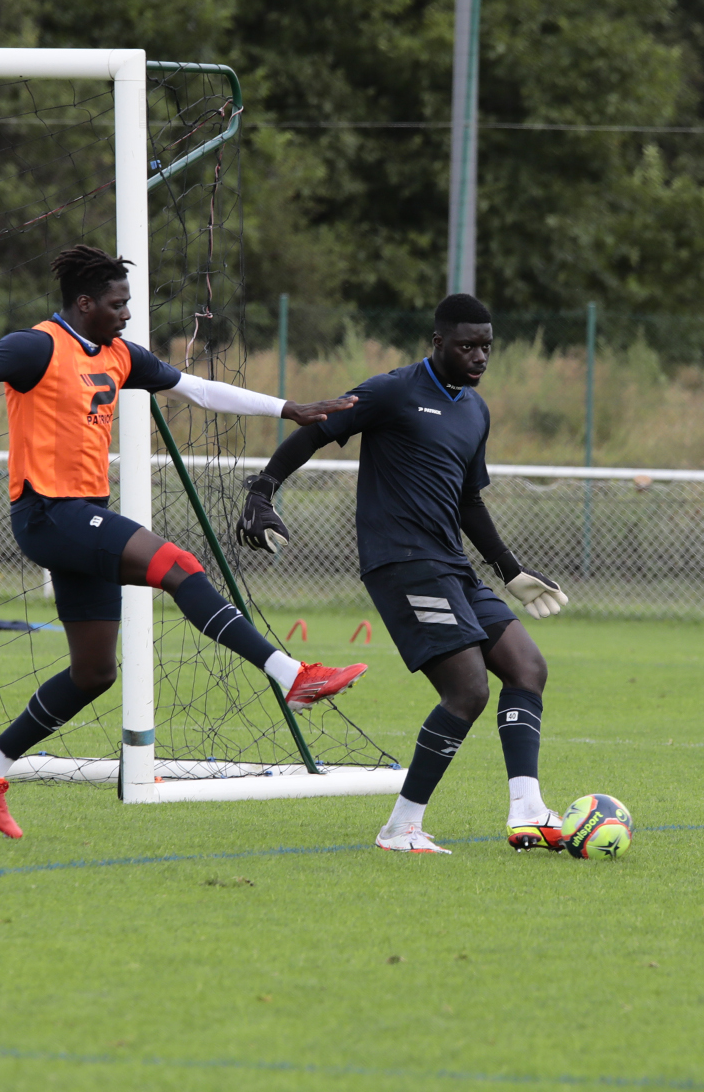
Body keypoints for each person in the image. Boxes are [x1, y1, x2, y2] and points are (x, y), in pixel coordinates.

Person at [0, 245, 370, 839]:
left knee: (94, 673)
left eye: (127, 303)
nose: (127, 314)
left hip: (82, 517)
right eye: (117, 304)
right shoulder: (37, 346)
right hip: (47, 514)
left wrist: (291, 408)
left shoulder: (118, 355)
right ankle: (291, 674)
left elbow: (199, 391)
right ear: (84, 304)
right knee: (179, 565)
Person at [234, 293, 570, 854]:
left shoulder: (473, 410)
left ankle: (528, 810)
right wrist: (264, 489)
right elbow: (318, 426)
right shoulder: (392, 390)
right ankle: (401, 827)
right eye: (466, 346)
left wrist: (510, 571)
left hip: (451, 565)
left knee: (527, 667)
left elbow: (469, 502)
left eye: (487, 346)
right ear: (437, 343)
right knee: (466, 690)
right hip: (403, 564)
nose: (479, 357)